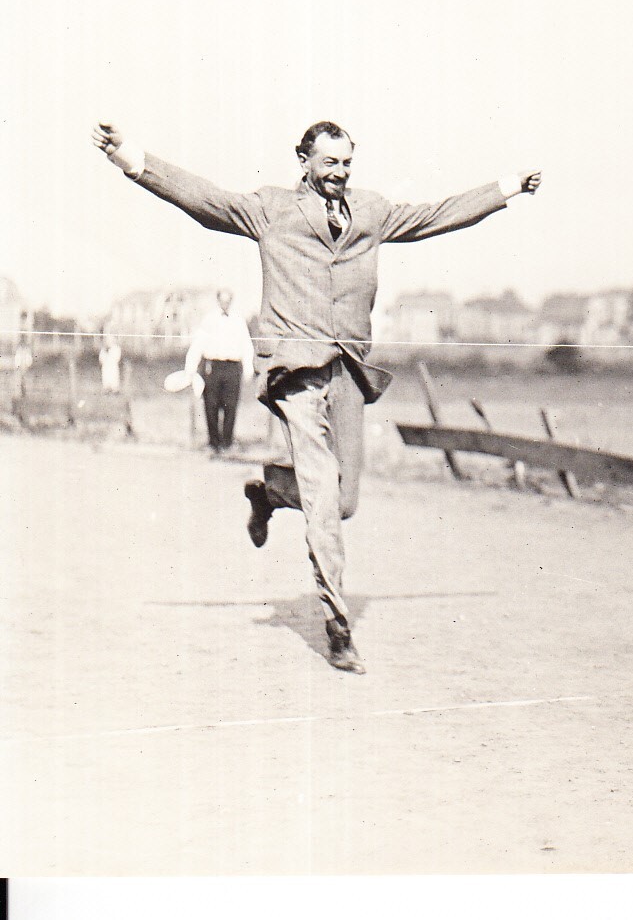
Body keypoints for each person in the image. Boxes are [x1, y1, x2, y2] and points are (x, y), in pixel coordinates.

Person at [92, 120, 542, 673]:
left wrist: (507, 188)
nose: (340, 173)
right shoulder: (272, 210)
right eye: (329, 163)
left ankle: (271, 492)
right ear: (303, 160)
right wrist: (130, 158)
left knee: (344, 500)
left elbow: (434, 217)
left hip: (349, 372)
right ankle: (338, 625)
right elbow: (204, 199)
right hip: (297, 375)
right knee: (325, 500)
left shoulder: (372, 212)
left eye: (347, 163)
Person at [184, 289, 254, 454]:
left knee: (230, 405)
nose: (225, 303)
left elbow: (246, 344)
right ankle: (213, 443)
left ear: (231, 301)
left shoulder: (238, 320)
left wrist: (248, 367)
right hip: (213, 367)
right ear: (218, 301)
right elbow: (198, 343)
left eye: (228, 300)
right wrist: (191, 367)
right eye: (222, 300)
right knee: (211, 404)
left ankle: (227, 443)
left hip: (232, 367)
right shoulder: (209, 319)